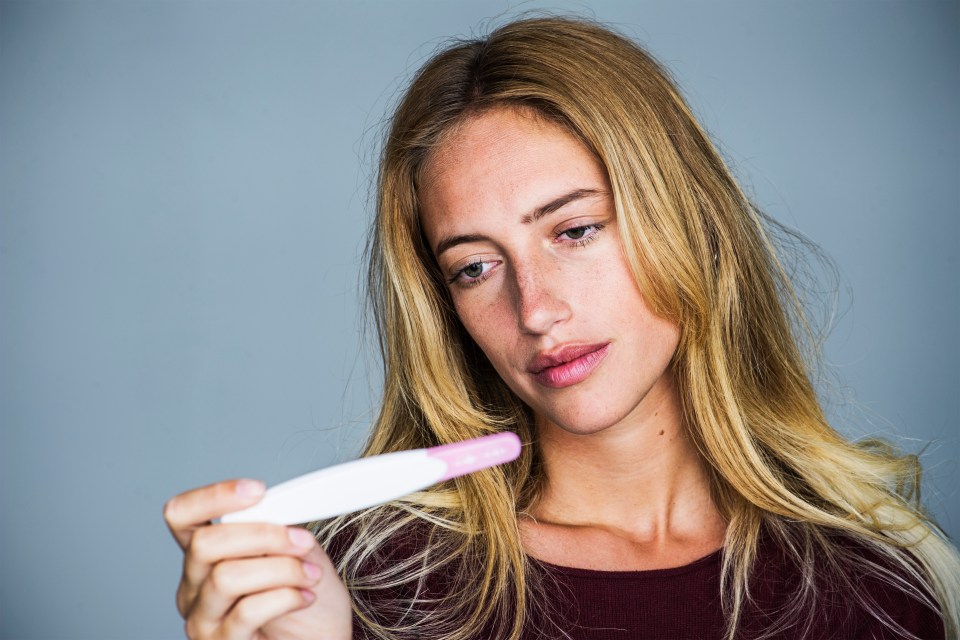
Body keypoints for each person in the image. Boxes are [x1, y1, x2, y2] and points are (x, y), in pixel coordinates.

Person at [163, 16, 960, 640]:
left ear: (689, 222)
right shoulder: (367, 589)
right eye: (475, 268)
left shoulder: (880, 588)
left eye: (574, 231)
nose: (536, 311)